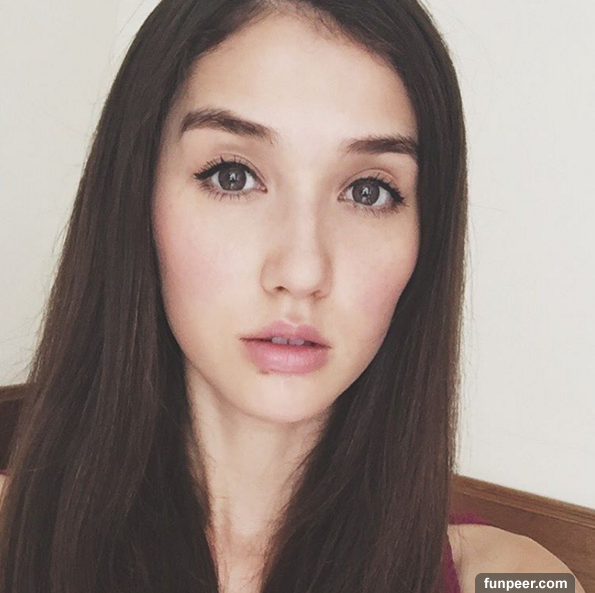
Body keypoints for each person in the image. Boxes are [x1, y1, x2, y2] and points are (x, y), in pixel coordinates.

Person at [0, 1, 585, 592]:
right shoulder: (15, 535)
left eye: (368, 191)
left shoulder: (513, 578)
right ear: (136, 197)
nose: (302, 271)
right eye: (232, 176)